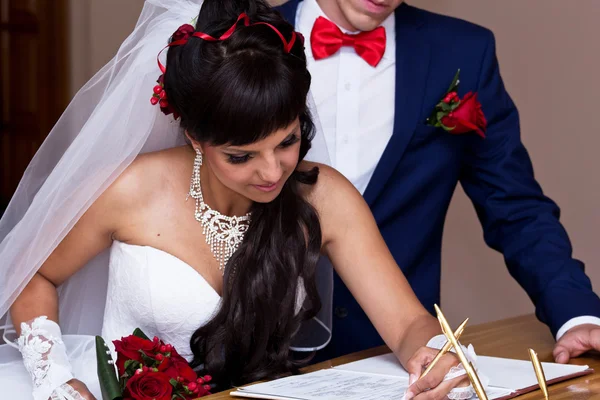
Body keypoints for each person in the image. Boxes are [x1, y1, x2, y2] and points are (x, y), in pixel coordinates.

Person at [0, 1, 476, 399]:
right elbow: (34, 273)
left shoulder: (326, 197)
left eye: (287, 142)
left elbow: (408, 322)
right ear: (193, 137)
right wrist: (55, 379)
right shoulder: (131, 189)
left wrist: (431, 351)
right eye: (241, 155)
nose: (271, 173)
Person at [275, 0, 600, 364]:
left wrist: (577, 315)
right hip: (258, 352)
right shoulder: (242, 36)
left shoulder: (461, 52)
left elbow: (514, 205)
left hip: (402, 359)